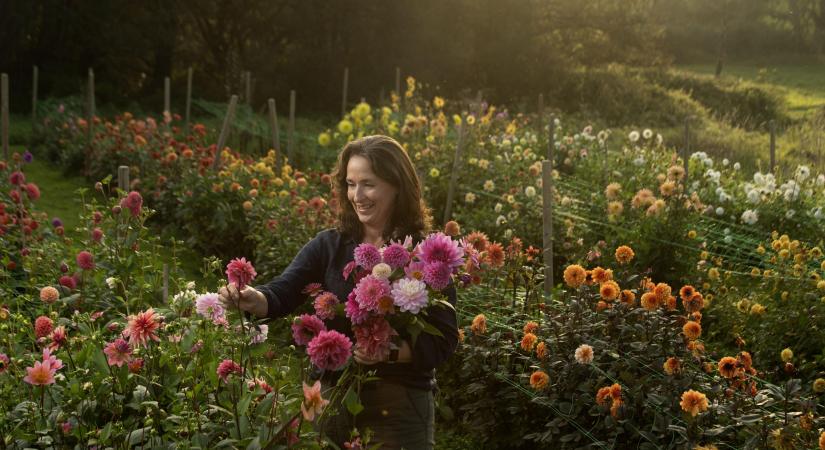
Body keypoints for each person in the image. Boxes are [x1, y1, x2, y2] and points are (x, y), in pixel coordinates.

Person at [219, 135, 459, 449]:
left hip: (399, 399)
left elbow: (443, 338)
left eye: (368, 184)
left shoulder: (423, 256)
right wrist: (255, 297)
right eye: (350, 183)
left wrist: (389, 351)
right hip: (329, 390)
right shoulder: (330, 245)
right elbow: (284, 289)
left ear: (397, 185)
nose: (357, 195)